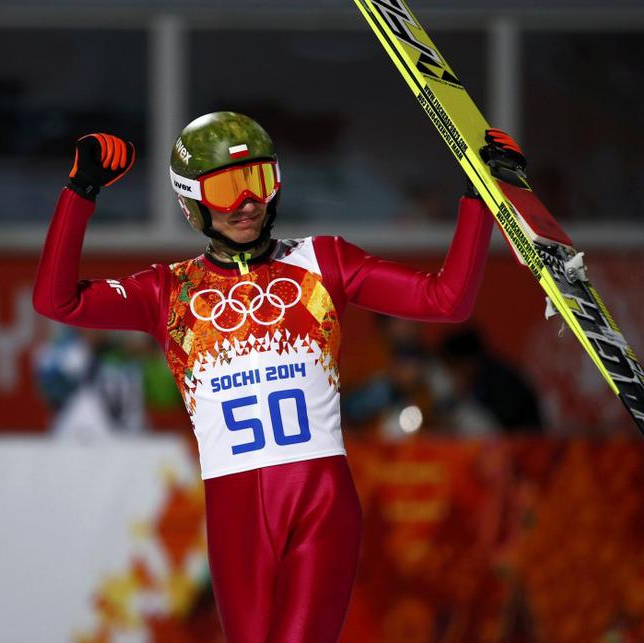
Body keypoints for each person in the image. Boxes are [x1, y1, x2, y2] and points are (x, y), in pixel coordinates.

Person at [33, 113, 525, 642]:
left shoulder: (324, 261)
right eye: (227, 188)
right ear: (190, 201)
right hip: (236, 516)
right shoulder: (167, 291)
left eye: (259, 180)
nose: (248, 202)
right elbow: (56, 301)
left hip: (320, 504)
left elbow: (446, 300)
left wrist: (480, 197)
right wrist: (80, 192)